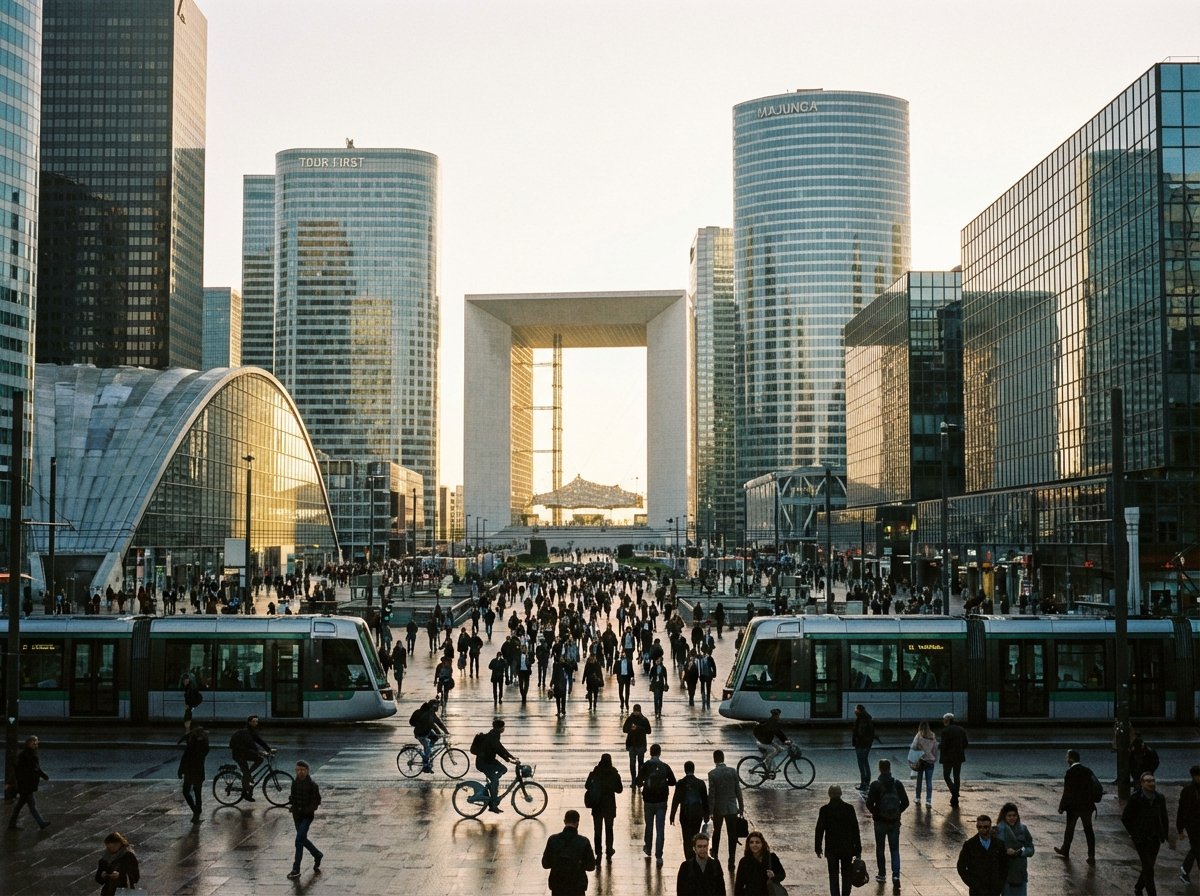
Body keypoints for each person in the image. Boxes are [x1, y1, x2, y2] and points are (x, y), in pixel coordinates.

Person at [866, 758, 909, 894]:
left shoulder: (875, 785)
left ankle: (882, 874)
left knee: (880, 848)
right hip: (894, 822)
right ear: (890, 768)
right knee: (894, 849)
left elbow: (868, 803)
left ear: (880, 768)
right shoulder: (897, 784)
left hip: (880, 822)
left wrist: (876, 813)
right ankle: (895, 875)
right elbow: (906, 802)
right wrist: (897, 813)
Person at [1122, 771, 1168, 896]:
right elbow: (1125, 818)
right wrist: (1134, 832)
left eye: (1152, 781)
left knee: (1149, 866)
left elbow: (1164, 816)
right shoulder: (1136, 798)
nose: (1151, 783)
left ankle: (1138, 886)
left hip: (1155, 837)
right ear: (1142, 783)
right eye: (1148, 781)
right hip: (1141, 838)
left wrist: (1165, 834)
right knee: (1148, 867)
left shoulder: (1159, 798)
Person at [1054, 749, 1100, 865]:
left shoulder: (1070, 773)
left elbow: (1067, 792)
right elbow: (1097, 785)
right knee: (1088, 830)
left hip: (1073, 807)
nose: (1066, 759)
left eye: (1067, 757)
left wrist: (1062, 806)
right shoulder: (1087, 771)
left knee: (1070, 829)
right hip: (1087, 806)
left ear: (1071, 759)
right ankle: (1091, 855)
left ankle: (1065, 849)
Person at [816, 784, 862, 896]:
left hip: (832, 848)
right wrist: (858, 848)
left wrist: (818, 847)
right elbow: (855, 829)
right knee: (846, 874)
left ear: (829, 794)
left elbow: (819, 830)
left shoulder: (824, 810)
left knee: (833, 875)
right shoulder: (849, 808)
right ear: (841, 794)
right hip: (847, 848)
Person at [636, 742, 677, 868]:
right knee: (660, 829)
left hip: (648, 801)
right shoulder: (664, 766)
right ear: (659, 753)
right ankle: (659, 856)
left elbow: (638, 782)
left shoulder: (646, 766)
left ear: (650, 753)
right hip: (661, 801)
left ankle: (648, 848)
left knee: (649, 826)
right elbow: (673, 782)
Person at [542, 809, 597, 896]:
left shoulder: (553, 840)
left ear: (564, 821)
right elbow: (591, 866)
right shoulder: (584, 841)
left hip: (557, 884)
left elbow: (545, 864)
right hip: (577, 885)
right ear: (577, 822)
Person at [286, 760, 323, 879]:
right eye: (298, 770)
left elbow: (316, 801)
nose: (300, 772)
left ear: (307, 771)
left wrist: (307, 810)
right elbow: (293, 797)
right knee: (302, 839)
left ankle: (296, 869)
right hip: (297, 816)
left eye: (302, 770)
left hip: (307, 817)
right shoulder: (294, 783)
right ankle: (317, 854)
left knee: (298, 841)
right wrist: (293, 806)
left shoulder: (313, 785)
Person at [709, 749, 745, 870]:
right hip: (731, 808)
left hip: (718, 809)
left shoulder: (712, 774)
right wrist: (741, 807)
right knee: (732, 834)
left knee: (717, 832)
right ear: (723, 758)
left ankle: (715, 856)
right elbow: (738, 791)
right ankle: (731, 860)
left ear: (714, 760)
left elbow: (712, 794)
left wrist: (710, 810)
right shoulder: (732, 771)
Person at [956, 814, 1008, 896]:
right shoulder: (970, 845)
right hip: (977, 891)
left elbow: (1004, 866)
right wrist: (973, 884)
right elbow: (961, 867)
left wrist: (999, 884)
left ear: (990, 827)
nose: (982, 829)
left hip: (994, 890)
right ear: (977, 827)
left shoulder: (999, 844)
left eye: (986, 827)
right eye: (980, 827)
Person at [475, 717, 518, 813]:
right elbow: (498, 749)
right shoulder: (493, 736)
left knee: (503, 770)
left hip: (489, 760)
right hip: (484, 763)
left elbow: (500, 747)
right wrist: (508, 758)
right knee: (495, 780)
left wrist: (510, 757)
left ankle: (492, 785)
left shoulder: (495, 734)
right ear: (499, 728)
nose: (504, 729)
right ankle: (493, 805)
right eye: (503, 727)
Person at [585, 753, 623, 859]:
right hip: (609, 805)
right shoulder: (614, 773)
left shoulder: (595, 772)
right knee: (609, 829)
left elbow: (587, 785)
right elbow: (619, 789)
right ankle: (609, 850)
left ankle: (598, 852)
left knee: (597, 829)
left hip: (597, 805)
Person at [8, 735, 50, 830]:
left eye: (36, 742)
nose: (36, 744)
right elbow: (35, 769)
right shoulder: (29, 755)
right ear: (28, 743)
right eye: (33, 742)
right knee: (32, 806)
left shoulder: (27, 754)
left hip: (25, 784)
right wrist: (43, 775)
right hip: (27, 785)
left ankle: (11, 824)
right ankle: (41, 823)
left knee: (19, 806)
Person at [671, 760, 710, 859]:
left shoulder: (681, 783)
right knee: (695, 835)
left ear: (685, 770)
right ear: (694, 769)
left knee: (686, 837)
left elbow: (676, 800)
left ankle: (688, 858)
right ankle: (694, 856)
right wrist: (706, 815)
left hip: (685, 814)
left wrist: (672, 815)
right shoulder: (701, 783)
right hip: (697, 814)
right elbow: (705, 800)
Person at [994, 802, 1034, 896]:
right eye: (1009, 815)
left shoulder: (1023, 829)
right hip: (1006, 872)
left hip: (1020, 872)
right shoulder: (998, 830)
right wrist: (1005, 851)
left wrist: (1020, 852)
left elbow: (1030, 849)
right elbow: (995, 850)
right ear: (1004, 816)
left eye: (1014, 815)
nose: (1012, 818)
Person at [229, 715, 271, 800]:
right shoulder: (246, 732)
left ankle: (248, 775)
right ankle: (245, 793)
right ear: (249, 722)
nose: (256, 723)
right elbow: (251, 745)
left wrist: (268, 749)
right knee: (246, 773)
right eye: (254, 721)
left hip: (243, 753)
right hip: (238, 755)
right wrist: (259, 752)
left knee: (259, 760)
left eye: (257, 721)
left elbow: (259, 740)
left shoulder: (251, 731)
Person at [733, 828, 786, 895]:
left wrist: (774, 877)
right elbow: (739, 885)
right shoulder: (744, 861)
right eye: (751, 842)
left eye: (757, 842)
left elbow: (782, 874)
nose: (754, 845)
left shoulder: (772, 857)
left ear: (762, 844)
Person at [179, 724, 210, 823]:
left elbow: (185, 758)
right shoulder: (204, 746)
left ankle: (195, 811)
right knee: (198, 793)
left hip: (189, 771)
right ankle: (197, 813)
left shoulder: (191, 746)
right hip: (199, 771)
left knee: (186, 791)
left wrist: (180, 770)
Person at [411, 696, 448, 773]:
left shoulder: (431, 713)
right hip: (420, 733)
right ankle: (425, 765)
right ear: (433, 706)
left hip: (426, 731)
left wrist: (446, 731)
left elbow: (439, 722)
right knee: (427, 749)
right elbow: (432, 725)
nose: (438, 708)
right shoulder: (428, 714)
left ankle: (428, 753)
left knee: (435, 738)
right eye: (437, 706)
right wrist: (439, 732)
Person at [1177, 764, 1200, 883]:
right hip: (1193, 825)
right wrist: (1180, 829)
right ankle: (1185, 869)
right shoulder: (1188, 791)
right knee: (1197, 847)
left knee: (1196, 848)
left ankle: (1185, 869)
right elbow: (1182, 811)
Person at [940, 712, 969, 808]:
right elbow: (965, 743)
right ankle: (955, 798)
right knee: (957, 776)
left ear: (947, 720)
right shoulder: (961, 730)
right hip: (959, 757)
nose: (943, 722)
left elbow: (943, 746)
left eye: (944, 720)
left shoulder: (945, 731)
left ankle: (954, 793)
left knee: (946, 776)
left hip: (948, 758)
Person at [909, 720, 939, 807]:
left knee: (919, 780)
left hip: (921, 760)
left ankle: (918, 798)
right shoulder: (932, 736)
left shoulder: (919, 735)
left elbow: (913, 746)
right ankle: (928, 801)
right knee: (929, 781)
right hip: (930, 761)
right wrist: (934, 758)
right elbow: (935, 749)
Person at [753, 708, 790, 775]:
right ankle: (767, 764)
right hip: (763, 742)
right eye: (778, 715)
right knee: (774, 751)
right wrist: (785, 741)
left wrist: (786, 740)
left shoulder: (773, 721)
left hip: (767, 741)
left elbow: (779, 732)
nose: (779, 717)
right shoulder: (772, 722)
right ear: (775, 715)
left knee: (779, 749)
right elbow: (778, 733)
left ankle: (770, 765)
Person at [623, 704, 652, 785]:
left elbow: (649, 731)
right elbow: (624, 729)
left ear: (640, 711)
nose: (636, 712)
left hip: (641, 745)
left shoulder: (644, 719)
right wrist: (630, 728)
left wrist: (638, 728)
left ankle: (639, 779)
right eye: (635, 711)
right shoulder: (630, 719)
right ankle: (633, 779)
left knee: (640, 763)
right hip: (632, 744)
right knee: (632, 764)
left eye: (637, 711)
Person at [852, 704, 877, 793]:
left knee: (861, 764)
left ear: (859, 710)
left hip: (861, 745)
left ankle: (864, 784)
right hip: (866, 745)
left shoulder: (861, 719)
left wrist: (856, 740)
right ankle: (867, 782)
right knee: (865, 762)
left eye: (856, 709)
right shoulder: (867, 718)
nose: (854, 711)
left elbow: (860, 733)